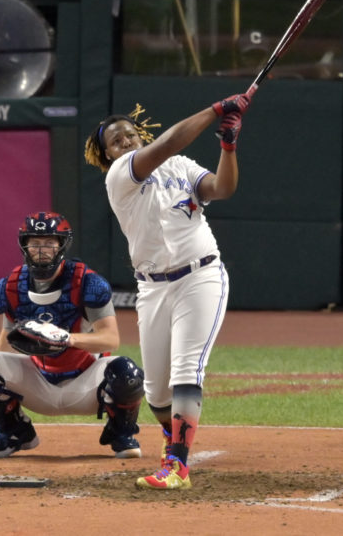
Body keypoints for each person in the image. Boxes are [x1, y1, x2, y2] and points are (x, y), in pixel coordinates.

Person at [83, 93, 250, 490]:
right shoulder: (120, 175)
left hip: (201, 276)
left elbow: (222, 188)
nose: (125, 142)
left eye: (129, 135)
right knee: (156, 393)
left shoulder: (179, 167)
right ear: (108, 156)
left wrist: (229, 146)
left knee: (187, 370)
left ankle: (177, 465)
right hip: (153, 288)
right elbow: (170, 141)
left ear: (140, 136)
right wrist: (215, 110)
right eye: (116, 141)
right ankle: (172, 439)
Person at [0, 211, 145, 459]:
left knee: (127, 373)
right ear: (24, 245)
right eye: (35, 243)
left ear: (61, 245)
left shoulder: (87, 283)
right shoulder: (11, 286)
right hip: (38, 382)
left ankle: (121, 433)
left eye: (49, 242)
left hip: (85, 382)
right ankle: (15, 434)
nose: (41, 249)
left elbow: (111, 339)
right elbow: (7, 339)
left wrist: (68, 338)